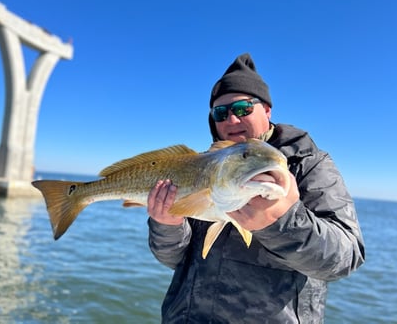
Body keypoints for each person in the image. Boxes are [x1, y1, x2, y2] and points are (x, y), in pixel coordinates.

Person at [147, 53, 365, 323]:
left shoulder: (309, 164)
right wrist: (167, 225)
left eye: (242, 108)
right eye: (220, 112)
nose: (232, 120)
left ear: (267, 110)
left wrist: (283, 222)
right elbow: (175, 260)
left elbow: (345, 258)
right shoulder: (201, 167)